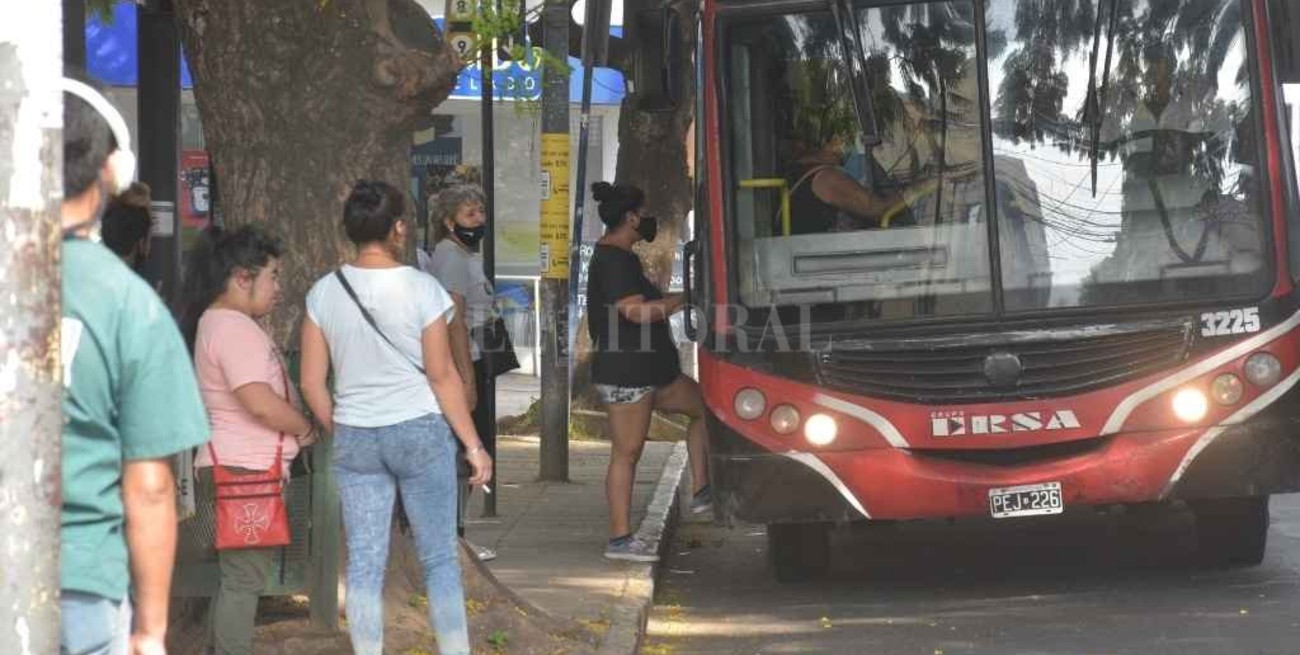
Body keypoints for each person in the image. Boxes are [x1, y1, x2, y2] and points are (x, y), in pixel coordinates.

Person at [299, 180, 491, 655]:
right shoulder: (422, 288)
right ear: (399, 229)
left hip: (357, 436)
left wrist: (339, 426)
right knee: (439, 559)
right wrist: (473, 445)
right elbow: (443, 375)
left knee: (365, 562)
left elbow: (310, 382)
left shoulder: (324, 293)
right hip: (420, 432)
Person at [59, 73, 211, 655]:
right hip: (81, 587)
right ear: (111, 176)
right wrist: (150, 629)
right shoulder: (130, 306)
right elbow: (150, 487)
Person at [179, 225, 318, 655]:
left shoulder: (219, 323)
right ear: (243, 277)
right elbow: (258, 402)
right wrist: (303, 426)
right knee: (243, 580)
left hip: (241, 467)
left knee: (238, 577)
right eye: (273, 275)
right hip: (245, 470)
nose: (278, 287)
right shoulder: (232, 328)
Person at [585, 182, 712, 563]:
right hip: (628, 373)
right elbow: (635, 312)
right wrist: (682, 300)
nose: (649, 219)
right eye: (644, 212)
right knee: (627, 453)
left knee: (707, 408)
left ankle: (702, 488)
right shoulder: (614, 259)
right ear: (630, 217)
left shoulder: (622, 257)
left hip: (654, 372)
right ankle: (620, 539)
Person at [422, 184, 498, 563]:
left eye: (480, 213)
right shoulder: (451, 256)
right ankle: (453, 539)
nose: (479, 220)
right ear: (450, 222)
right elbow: (454, 322)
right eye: (470, 214)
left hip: (475, 357)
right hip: (462, 360)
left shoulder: (466, 255)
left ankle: (457, 537)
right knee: (465, 453)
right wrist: (465, 380)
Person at [101, 182, 154, 272]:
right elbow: (143, 239)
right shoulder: (140, 214)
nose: (149, 199)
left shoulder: (114, 206)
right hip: (124, 255)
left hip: (109, 253)